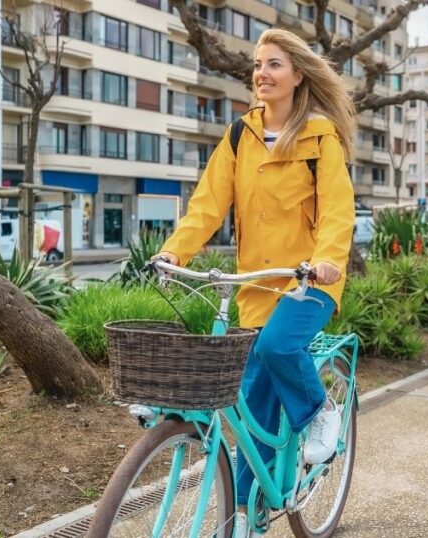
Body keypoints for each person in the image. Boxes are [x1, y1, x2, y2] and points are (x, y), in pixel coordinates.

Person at [152, 28, 356, 535]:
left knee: (279, 349)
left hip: (309, 282)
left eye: (274, 65)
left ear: (297, 75)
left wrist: (328, 259)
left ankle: (319, 411)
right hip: (255, 286)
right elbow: (207, 203)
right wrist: (176, 249)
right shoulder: (240, 135)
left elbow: (337, 210)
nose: (261, 74)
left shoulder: (319, 138)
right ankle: (243, 516)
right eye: (258, 66)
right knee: (253, 408)